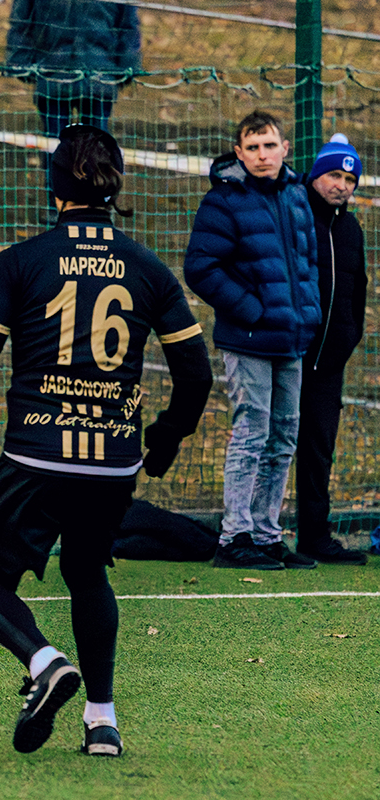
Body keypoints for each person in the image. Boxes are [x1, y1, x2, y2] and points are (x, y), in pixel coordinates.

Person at [0, 125, 212, 756]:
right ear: (115, 187)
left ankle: (45, 662)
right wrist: (163, 439)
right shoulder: (147, 268)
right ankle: (102, 722)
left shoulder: (23, 260)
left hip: (36, 454)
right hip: (113, 462)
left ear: (55, 187)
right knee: (86, 572)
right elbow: (197, 374)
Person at [183, 110, 322, 571]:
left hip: (292, 338)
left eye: (270, 145)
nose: (263, 155)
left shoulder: (298, 195)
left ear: (285, 148)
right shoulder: (223, 201)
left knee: (284, 437)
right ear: (239, 153)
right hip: (248, 340)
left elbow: (308, 263)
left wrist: (308, 312)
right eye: (253, 147)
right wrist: (252, 310)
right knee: (251, 433)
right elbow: (201, 268)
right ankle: (234, 536)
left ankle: (266, 535)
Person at [295, 134, 370, 565]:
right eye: (333, 175)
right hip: (289, 352)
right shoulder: (296, 214)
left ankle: (313, 536)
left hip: (330, 362)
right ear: (316, 175)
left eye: (349, 178)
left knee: (319, 448)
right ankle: (250, 533)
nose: (341, 184)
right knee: (273, 442)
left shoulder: (351, 228)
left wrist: (348, 335)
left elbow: (358, 290)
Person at [5, 0, 140, 217]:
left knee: (88, 146)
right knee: (58, 146)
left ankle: (84, 205)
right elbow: (21, 21)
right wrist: (20, 63)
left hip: (92, 76)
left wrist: (127, 67)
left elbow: (128, 25)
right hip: (61, 74)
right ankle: (65, 205)